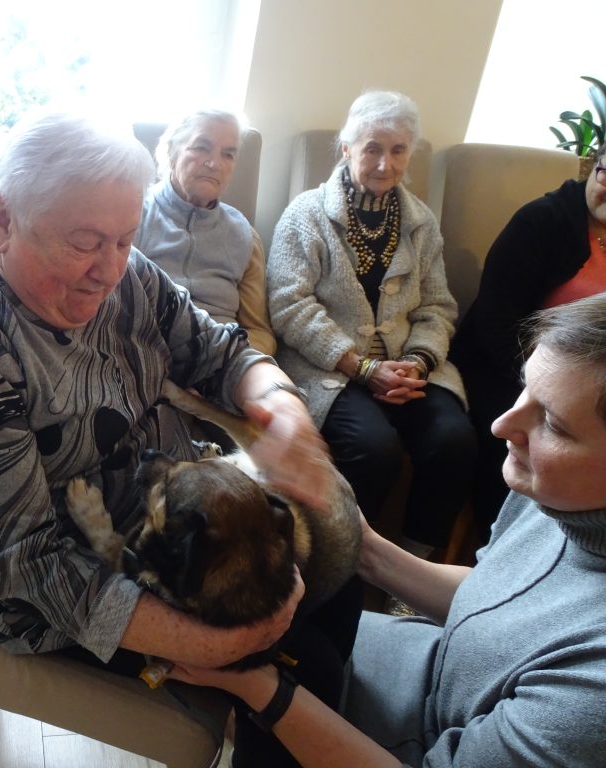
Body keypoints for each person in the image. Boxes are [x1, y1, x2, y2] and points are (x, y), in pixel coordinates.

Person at [0, 113, 356, 766]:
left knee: (337, 569)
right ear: (3, 221)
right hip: (64, 585)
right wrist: (211, 643)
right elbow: (25, 563)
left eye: (125, 238)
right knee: (307, 666)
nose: (110, 269)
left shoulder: (127, 273)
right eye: (85, 243)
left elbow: (220, 352)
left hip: (168, 509)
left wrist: (284, 410)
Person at [166, 292, 606, 767]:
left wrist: (257, 687)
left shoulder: (591, 696)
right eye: (525, 388)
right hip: (424, 666)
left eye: (553, 425)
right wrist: (364, 546)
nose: (501, 426)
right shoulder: (559, 492)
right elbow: (500, 596)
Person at [267, 90, 477, 560]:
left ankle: (416, 569)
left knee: (454, 441)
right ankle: (342, 562)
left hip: (408, 368)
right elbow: (289, 305)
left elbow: (437, 306)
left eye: (398, 150)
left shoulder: (422, 223)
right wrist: (362, 367)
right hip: (330, 369)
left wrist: (418, 363)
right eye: (372, 149)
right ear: (347, 149)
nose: (385, 164)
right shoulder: (305, 215)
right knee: (373, 448)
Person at [451, 144, 606, 543]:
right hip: (507, 367)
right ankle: (501, 547)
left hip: (591, 381)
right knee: (529, 439)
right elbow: (495, 322)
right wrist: (544, 385)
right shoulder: (541, 221)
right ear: (592, 166)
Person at [135, 109, 275, 356]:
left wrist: (232, 359)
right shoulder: (133, 214)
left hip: (223, 359)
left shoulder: (244, 235)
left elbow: (259, 331)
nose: (214, 164)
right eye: (201, 148)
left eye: (228, 155)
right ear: (172, 151)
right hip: (145, 353)